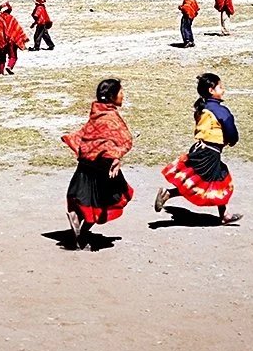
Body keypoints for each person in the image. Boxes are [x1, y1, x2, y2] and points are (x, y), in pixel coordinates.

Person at [154, 72, 241, 225]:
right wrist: (233, 140)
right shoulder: (220, 111)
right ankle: (168, 194)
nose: (223, 90)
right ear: (211, 90)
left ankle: (224, 215)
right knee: (205, 182)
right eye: (220, 87)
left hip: (202, 149)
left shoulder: (203, 108)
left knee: (216, 178)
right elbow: (230, 128)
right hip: (210, 152)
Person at [61, 78, 135, 248]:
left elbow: (91, 135)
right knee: (108, 202)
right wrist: (116, 156)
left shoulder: (96, 112)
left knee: (86, 201)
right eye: (120, 92)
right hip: (104, 168)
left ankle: (76, 222)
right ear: (112, 96)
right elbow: (121, 139)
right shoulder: (111, 117)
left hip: (86, 166)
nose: (123, 95)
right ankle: (82, 231)